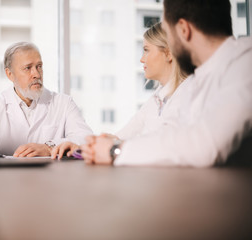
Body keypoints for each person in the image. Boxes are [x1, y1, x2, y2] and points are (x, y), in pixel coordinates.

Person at [82, 0, 252, 167]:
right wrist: (106, 145)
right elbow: (168, 133)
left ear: (184, 30)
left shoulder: (246, 63)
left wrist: (115, 151)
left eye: (168, 33)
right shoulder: (198, 80)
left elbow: (205, 144)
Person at [52, 22, 188, 160]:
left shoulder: (186, 96)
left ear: (169, 53)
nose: (142, 59)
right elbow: (120, 138)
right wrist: (82, 148)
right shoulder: (157, 99)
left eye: (146, 50)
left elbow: (163, 148)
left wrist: (112, 147)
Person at [0, 42, 92, 157]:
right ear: (9, 74)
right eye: (28, 68)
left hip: (52, 183)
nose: (36, 74)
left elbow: (85, 139)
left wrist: (48, 147)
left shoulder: (63, 103)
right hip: (7, 183)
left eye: (39, 66)